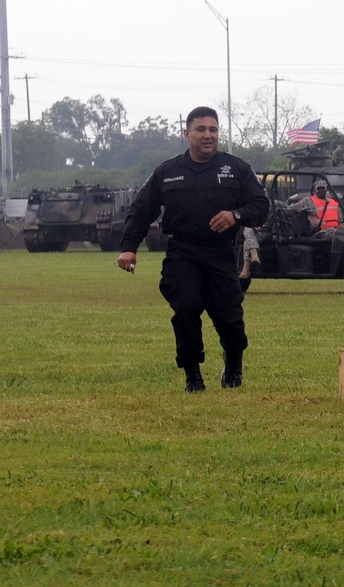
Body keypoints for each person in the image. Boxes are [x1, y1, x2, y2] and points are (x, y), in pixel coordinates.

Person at [115, 106, 269, 393]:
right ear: (186, 134)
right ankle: (193, 376)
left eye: (213, 129)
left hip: (221, 254)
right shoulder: (167, 171)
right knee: (185, 309)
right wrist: (128, 248)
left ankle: (233, 364)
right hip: (182, 253)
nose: (207, 135)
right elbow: (140, 211)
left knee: (229, 318)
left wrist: (235, 216)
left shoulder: (237, 169)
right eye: (201, 129)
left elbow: (261, 206)